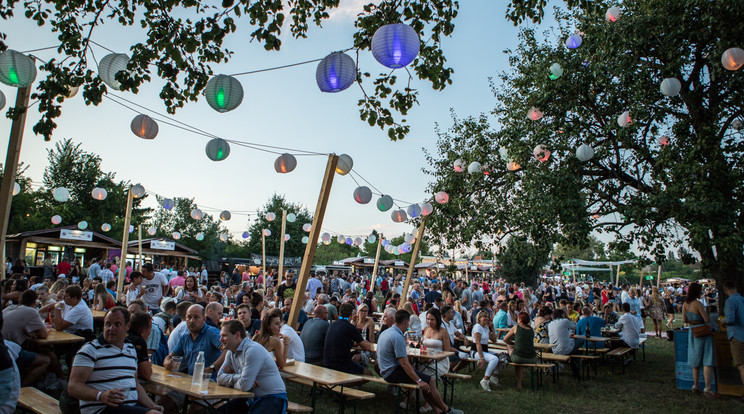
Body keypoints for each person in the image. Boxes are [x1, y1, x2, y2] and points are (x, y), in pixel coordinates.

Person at [68, 307, 163, 414]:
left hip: (128, 407)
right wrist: (100, 395)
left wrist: (152, 405)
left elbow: (134, 383)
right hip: (102, 409)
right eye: (108, 324)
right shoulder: (91, 350)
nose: (111, 328)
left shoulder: (130, 349)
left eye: (117, 324)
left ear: (127, 326)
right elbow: (73, 387)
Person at [377, 309, 462, 414]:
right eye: (408, 322)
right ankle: (447, 410)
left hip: (387, 369)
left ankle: (438, 410)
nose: (429, 321)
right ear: (405, 322)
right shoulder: (397, 336)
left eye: (432, 319)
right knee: (428, 380)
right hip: (392, 372)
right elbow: (404, 363)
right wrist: (419, 380)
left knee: (424, 377)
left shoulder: (387, 332)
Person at [217, 320, 288, 413]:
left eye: (224, 336)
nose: (220, 339)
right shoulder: (230, 352)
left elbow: (244, 386)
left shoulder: (252, 350)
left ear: (237, 335)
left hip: (273, 397)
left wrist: (237, 380)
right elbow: (219, 378)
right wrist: (238, 377)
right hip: (251, 397)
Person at [1, 290, 52, 387]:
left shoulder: (8, 308)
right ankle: (23, 389)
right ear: (34, 303)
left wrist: (30, 332)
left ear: (20, 300)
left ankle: (37, 379)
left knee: (35, 349)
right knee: (46, 360)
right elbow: (44, 334)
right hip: (8, 351)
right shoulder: (31, 311)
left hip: (4, 346)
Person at [163, 304, 224, 376]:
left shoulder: (212, 332)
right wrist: (167, 362)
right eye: (189, 317)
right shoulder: (185, 337)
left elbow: (228, 350)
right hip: (192, 380)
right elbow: (170, 356)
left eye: (196, 317)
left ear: (204, 319)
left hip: (210, 381)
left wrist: (212, 368)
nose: (192, 321)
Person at [682, 282, 716, 397]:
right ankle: (708, 387)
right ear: (697, 291)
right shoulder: (698, 304)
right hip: (703, 333)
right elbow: (706, 320)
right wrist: (707, 311)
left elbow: (684, 320)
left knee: (695, 358)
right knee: (707, 358)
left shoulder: (685, 304)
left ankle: (695, 385)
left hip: (693, 332)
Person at [324, 303, 373, 374]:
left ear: (339, 313)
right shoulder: (350, 327)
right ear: (352, 314)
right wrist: (364, 342)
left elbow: (344, 341)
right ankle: (344, 383)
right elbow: (366, 347)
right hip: (341, 365)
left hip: (327, 362)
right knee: (369, 373)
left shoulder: (332, 324)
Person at [503, 311, 537, 390]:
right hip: (532, 358)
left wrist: (512, 344)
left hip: (519, 357)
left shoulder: (516, 327)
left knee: (509, 346)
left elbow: (505, 339)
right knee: (520, 352)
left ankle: (519, 384)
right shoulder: (531, 330)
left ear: (520, 320)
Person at [472, 310, 504, 391]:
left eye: (487, 317)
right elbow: (477, 343)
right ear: (479, 318)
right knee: (494, 359)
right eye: (484, 317)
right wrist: (481, 358)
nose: (486, 318)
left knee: (502, 357)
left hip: (484, 350)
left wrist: (492, 327)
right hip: (476, 351)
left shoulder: (486, 327)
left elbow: (494, 340)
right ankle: (485, 380)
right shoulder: (477, 327)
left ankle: (494, 377)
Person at [724, 281, 744, 402]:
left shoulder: (730, 301)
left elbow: (730, 319)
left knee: (741, 365)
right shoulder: (742, 299)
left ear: (726, 290)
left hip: (737, 336)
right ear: (736, 288)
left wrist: (722, 322)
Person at [127, 312, 153, 380]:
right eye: (150, 329)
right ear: (144, 331)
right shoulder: (139, 341)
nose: (150, 332)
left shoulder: (124, 335)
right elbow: (146, 374)